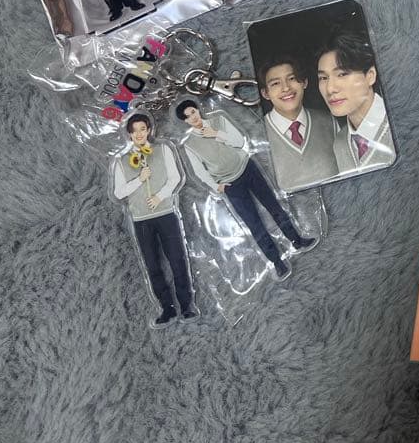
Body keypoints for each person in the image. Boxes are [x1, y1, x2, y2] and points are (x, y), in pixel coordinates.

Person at [175, 100, 316, 281]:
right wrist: (216, 186)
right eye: (188, 117)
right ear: (185, 121)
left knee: (274, 206)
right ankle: (277, 262)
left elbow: (239, 141)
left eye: (193, 112)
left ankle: (297, 240)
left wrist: (216, 134)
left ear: (197, 109)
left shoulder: (218, 120)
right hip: (230, 184)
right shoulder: (190, 144)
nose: (193, 117)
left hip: (247, 168)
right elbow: (199, 171)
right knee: (253, 223)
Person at [111, 114, 195, 327]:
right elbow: (119, 193)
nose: (139, 134)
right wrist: (139, 179)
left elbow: (175, 178)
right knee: (152, 265)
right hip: (141, 220)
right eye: (134, 130)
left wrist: (160, 196)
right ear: (129, 134)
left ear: (149, 130)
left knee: (177, 260)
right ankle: (167, 308)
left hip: (166, 214)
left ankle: (186, 306)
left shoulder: (163, 149)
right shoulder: (122, 161)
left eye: (142, 129)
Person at [316, 29, 396, 174]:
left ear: (370, 76)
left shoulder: (400, 125)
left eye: (342, 74)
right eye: (323, 78)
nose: (330, 89)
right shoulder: (340, 143)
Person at [259, 57, 338, 192]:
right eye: (276, 83)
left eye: (292, 78)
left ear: (304, 82)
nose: (286, 88)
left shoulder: (329, 122)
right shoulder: (258, 133)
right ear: (265, 93)